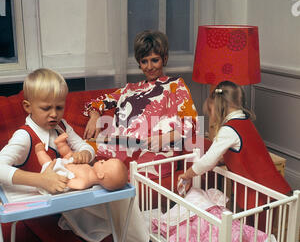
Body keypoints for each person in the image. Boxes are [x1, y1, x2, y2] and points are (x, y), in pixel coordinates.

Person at [0, 68, 112, 242]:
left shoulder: (62, 127)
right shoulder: (25, 136)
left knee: (105, 239)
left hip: (64, 204)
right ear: (27, 106)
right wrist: (40, 180)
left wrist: (84, 154)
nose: (53, 114)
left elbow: (84, 147)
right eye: (46, 108)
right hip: (37, 211)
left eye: (59, 107)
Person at [83, 30, 198, 178]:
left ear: (165, 58)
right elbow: (95, 103)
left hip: (155, 149)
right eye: (144, 61)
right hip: (121, 146)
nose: (149, 67)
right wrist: (94, 116)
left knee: (125, 171)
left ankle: (114, 177)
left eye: (155, 60)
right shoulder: (129, 89)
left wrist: (164, 138)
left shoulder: (176, 85)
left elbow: (192, 123)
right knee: (82, 151)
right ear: (139, 62)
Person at [178, 80, 291, 215]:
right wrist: (223, 160)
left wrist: (187, 174)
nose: (211, 115)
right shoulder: (245, 122)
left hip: (258, 192)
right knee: (258, 228)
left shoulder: (228, 129)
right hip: (272, 188)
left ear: (219, 107)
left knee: (257, 232)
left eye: (210, 110)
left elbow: (207, 161)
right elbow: (244, 152)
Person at [35, 133, 128, 191]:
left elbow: (68, 184)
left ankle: (40, 151)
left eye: (103, 163)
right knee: (70, 154)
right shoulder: (91, 169)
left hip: (56, 173)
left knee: (47, 163)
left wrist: (65, 178)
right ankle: (60, 143)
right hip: (67, 164)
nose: (102, 160)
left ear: (100, 174)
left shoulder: (84, 182)